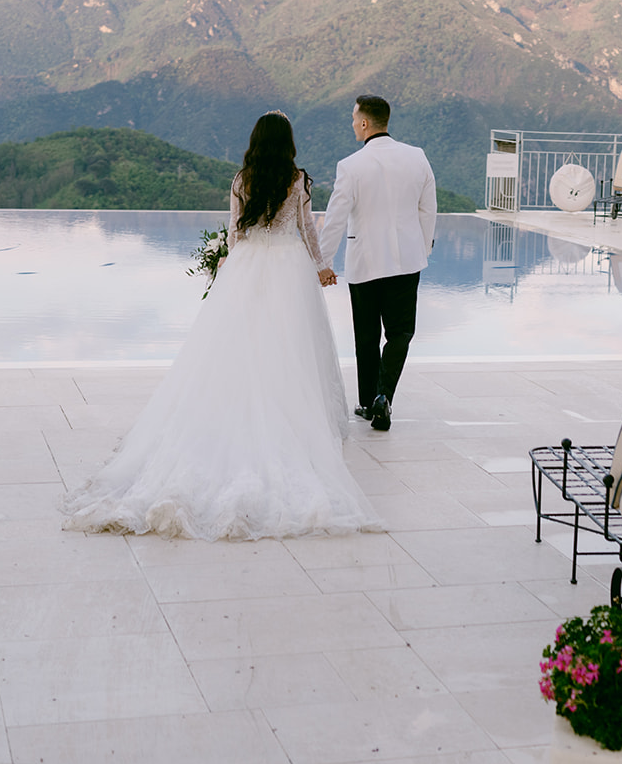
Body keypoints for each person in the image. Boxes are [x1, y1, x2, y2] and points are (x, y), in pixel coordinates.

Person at [62, 112, 381, 540]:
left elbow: (235, 233)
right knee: (289, 349)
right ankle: (287, 414)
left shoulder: (241, 180)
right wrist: (321, 267)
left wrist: (232, 271)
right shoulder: (299, 180)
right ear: (288, 142)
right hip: (289, 268)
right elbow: (307, 230)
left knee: (240, 346)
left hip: (250, 265)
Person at [319, 95, 437, 432]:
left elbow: (336, 219)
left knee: (367, 337)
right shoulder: (417, 158)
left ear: (365, 123)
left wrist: (324, 261)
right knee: (400, 333)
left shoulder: (350, 166)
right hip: (406, 260)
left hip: (365, 260)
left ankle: (369, 402)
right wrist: (421, 248)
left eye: (354, 117)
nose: (352, 123)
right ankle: (384, 396)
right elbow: (428, 209)